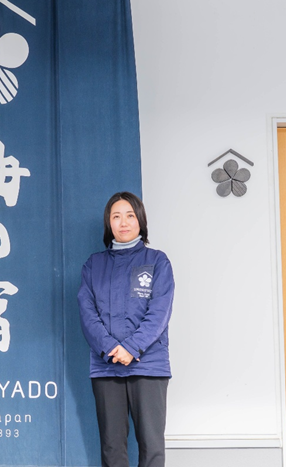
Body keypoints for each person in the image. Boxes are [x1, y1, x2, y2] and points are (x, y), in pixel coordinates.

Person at [76, 191, 174, 467]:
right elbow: (87, 313)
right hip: (106, 366)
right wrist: (110, 348)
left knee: (152, 446)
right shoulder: (93, 265)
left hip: (149, 365)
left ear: (140, 220)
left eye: (130, 215)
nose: (123, 222)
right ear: (108, 223)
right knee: (112, 446)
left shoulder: (158, 261)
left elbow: (159, 313)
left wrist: (131, 348)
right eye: (116, 216)